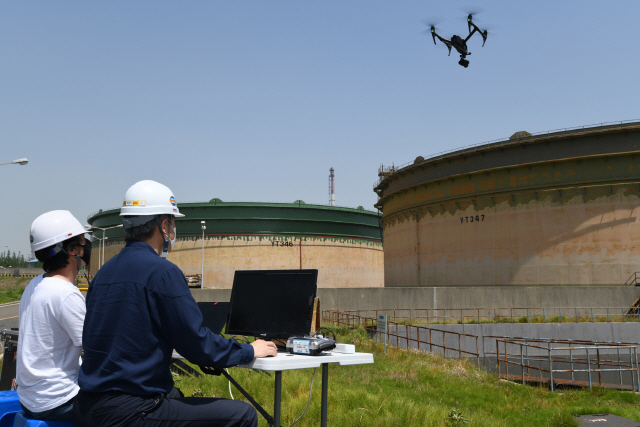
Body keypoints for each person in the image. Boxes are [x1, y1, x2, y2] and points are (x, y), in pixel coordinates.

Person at [73, 180, 277, 427]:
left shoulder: (104, 273)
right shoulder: (162, 272)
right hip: (132, 412)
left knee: (175, 396)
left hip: (88, 407)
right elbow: (197, 344)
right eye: (173, 222)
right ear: (163, 225)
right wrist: (248, 351)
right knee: (242, 415)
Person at [16, 210, 91, 421]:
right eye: (83, 243)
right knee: (126, 405)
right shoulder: (65, 293)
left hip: (30, 398)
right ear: (73, 249)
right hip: (58, 400)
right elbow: (94, 347)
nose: (87, 248)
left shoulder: (35, 284)